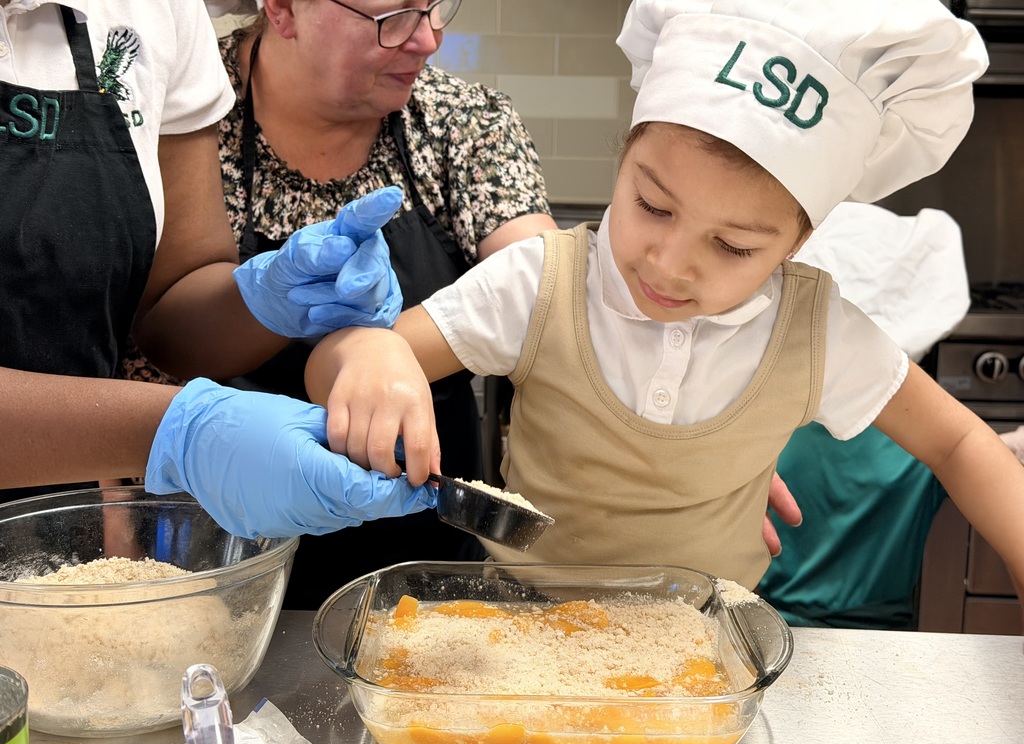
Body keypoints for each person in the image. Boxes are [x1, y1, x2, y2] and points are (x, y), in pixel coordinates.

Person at [304, 0, 1024, 600]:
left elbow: (962, 444)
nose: (670, 265)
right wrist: (370, 348)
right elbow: (348, 367)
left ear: (795, 246)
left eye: (734, 247)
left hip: (701, 659)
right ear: (624, 162)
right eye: (651, 204)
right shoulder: (540, 285)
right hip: (518, 637)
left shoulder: (815, 331)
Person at [0, 0, 434, 538]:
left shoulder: (155, 12)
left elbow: (172, 301)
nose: (425, 39)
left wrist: (268, 300)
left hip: (54, 532)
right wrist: (182, 432)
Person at [188, 0, 558, 607]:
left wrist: (678, 439)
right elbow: (138, 338)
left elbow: (554, 288)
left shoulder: (460, 121)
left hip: (429, 564)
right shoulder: (192, 118)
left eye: (437, 6)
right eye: (394, 17)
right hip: (230, 552)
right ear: (281, 9)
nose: (429, 39)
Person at [757, 203, 970, 629]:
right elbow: (986, 456)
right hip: (886, 636)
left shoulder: (769, 419)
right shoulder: (927, 443)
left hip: (761, 625)